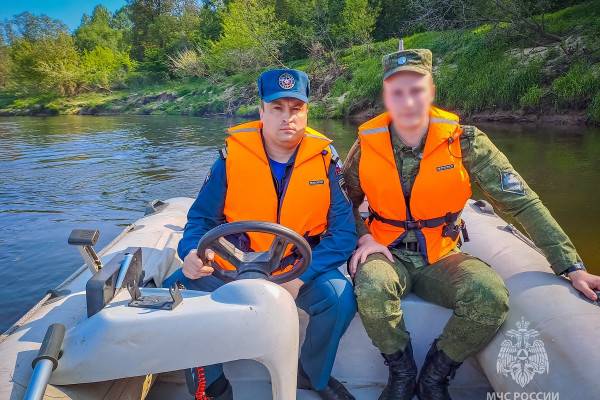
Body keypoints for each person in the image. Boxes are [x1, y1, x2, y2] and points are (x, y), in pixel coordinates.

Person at [342, 45, 600, 400]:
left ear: (431, 90)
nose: (408, 100)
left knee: (490, 297)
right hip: (386, 250)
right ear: (386, 96)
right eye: (397, 91)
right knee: (371, 287)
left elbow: (522, 202)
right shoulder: (365, 144)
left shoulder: (466, 141)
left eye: (416, 89)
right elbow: (344, 204)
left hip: (443, 254)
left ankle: (436, 374)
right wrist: (365, 238)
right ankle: (401, 373)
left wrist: (571, 265)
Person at [164, 68, 358, 400]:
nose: (288, 118)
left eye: (295, 108)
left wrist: (300, 277)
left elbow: (342, 233)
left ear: (306, 111)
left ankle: (314, 376)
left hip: (296, 267)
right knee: (175, 294)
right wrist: (191, 253)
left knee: (339, 299)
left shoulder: (326, 161)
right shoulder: (230, 157)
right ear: (262, 111)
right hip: (232, 267)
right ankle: (212, 386)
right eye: (277, 108)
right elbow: (200, 219)